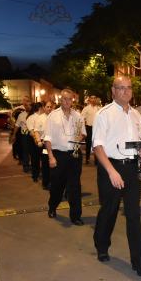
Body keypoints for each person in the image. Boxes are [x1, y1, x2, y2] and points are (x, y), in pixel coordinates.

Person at [92, 76, 141, 276]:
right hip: (112, 168)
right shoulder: (103, 114)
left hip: (133, 169)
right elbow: (97, 147)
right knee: (109, 211)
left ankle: (138, 261)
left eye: (128, 88)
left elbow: (140, 139)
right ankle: (101, 246)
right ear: (113, 91)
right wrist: (111, 171)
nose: (125, 91)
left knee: (133, 214)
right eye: (121, 88)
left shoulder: (136, 115)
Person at [44, 89, 86, 225]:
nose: (67, 101)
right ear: (60, 100)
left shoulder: (78, 116)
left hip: (74, 155)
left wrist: (79, 138)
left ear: (72, 100)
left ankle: (76, 216)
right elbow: (48, 138)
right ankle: (52, 206)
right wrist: (51, 156)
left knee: (75, 186)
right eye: (64, 99)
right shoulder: (53, 116)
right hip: (58, 155)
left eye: (69, 99)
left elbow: (83, 133)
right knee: (57, 185)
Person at [81, 96, 100, 164]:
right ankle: (87, 158)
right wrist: (83, 129)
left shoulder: (98, 108)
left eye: (95, 98)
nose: (93, 99)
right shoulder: (86, 108)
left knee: (96, 144)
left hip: (97, 128)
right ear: (89, 100)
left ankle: (96, 159)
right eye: (92, 98)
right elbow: (82, 118)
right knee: (88, 144)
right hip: (89, 127)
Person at [26, 103, 43, 183]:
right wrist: (37, 141)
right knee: (35, 159)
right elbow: (32, 131)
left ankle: (40, 174)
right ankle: (35, 175)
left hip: (42, 141)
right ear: (40, 108)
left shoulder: (42, 117)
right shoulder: (31, 118)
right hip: (34, 141)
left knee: (41, 158)